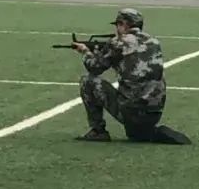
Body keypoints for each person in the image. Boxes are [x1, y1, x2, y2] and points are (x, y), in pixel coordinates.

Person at [72, 8, 190, 144]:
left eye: (118, 24)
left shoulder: (118, 42)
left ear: (124, 24)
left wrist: (86, 52)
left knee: (87, 81)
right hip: (154, 111)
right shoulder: (154, 42)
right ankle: (146, 131)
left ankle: (98, 131)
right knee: (136, 135)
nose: (117, 29)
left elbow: (94, 67)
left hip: (132, 112)